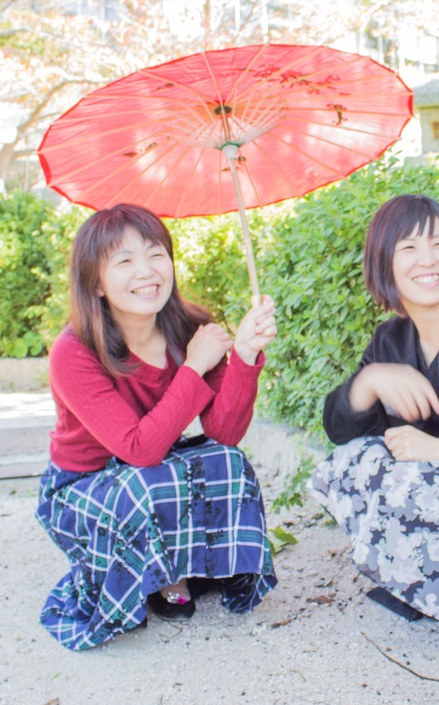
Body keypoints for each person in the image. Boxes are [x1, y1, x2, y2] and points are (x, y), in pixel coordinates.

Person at [35, 203, 279, 651]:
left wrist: (244, 356)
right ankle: (158, 574)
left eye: (155, 254)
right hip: (80, 489)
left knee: (227, 461)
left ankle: (205, 565)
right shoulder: (74, 351)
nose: (146, 271)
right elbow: (137, 449)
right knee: (142, 482)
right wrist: (196, 367)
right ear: (97, 283)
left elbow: (223, 432)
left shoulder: (190, 326)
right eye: (124, 261)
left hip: (149, 469)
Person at [309, 194, 439, 633]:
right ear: (383, 264)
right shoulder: (392, 338)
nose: (427, 259)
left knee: (401, 486)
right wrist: (368, 382)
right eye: (408, 248)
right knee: (343, 469)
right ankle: (418, 579)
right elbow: (340, 429)